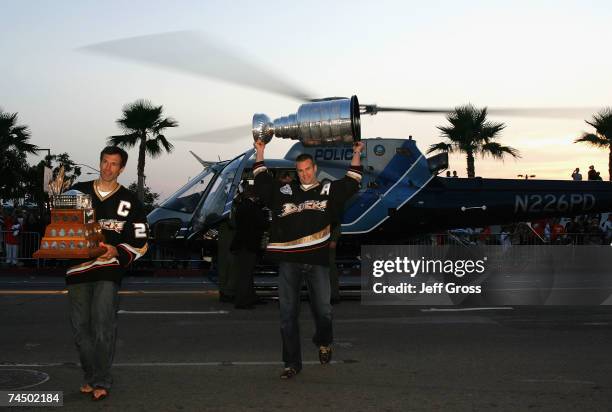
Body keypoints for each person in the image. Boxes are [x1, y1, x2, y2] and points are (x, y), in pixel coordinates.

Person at [253, 139, 363, 379]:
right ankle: (291, 363)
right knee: (287, 315)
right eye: (300, 171)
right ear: (297, 172)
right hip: (289, 262)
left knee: (324, 311)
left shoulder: (327, 190)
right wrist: (260, 151)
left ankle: (324, 342)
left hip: (317, 262)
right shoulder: (285, 191)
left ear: (314, 169)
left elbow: (352, 181)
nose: (304, 175)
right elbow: (262, 181)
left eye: (307, 170)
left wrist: (356, 153)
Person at [65, 146, 148, 400]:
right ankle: (91, 375)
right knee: (81, 330)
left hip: (108, 271)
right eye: (104, 162)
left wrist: (115, 251)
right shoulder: (77, 191)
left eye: (114, 164)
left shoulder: (131, 201)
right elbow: (59, 221)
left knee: (102, 328)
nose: (107, 168)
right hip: (77, 269)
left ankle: (101, 379)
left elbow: (141, 242)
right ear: (99, 162)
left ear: (121, 169)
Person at [229, 183, 268, 309]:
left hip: (242, 244)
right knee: (246, 275)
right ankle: (242, 301)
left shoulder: (241, 206)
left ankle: (249, 297)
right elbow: (262, 223)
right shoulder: (253, 207)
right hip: (249, 245)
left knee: (246, 273)